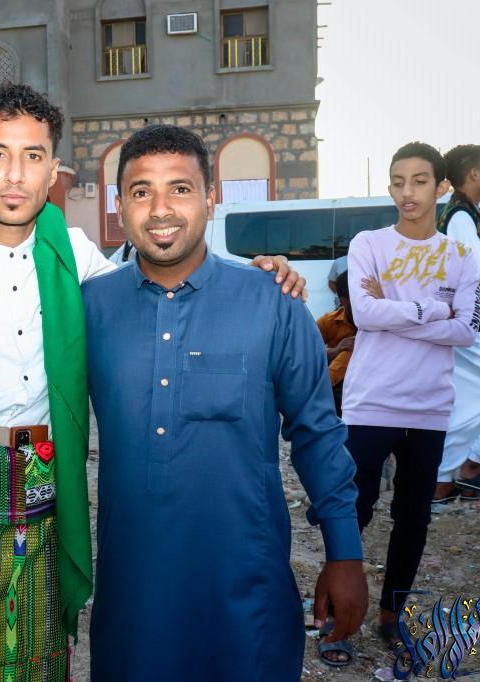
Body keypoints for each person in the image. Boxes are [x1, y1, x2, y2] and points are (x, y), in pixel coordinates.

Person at [0, 84, 303, 682]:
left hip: (43, 491)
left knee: (39, 657)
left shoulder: (75, 254)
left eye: (32, 156)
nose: (15, 175)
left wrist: (256, 276)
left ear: (54, 170)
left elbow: (156, 286)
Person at [83, 124, 367, 679]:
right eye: (141, 191)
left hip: (246, 591)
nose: (160, 209)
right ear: (119, 206)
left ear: (210, 197)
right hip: (132, 595)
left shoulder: (273, 302)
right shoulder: (88, 308)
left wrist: (345, 552)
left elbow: (317, 431)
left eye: (180, 188)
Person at [342, 141, 480, 648]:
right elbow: (364, 314)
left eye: (419, 181)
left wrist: (397, 312)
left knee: (413, 519)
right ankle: (338, 610)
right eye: (398, 182)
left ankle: (390, 614)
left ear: (441, 186)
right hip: (370, 402)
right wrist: (432, 310)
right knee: (352, 510)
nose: (408, 192)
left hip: (428, 408)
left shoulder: (461, 255)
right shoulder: (369, 244)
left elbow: (466, 330)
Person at [432, 145, 480, 503]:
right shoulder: (460, 216)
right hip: (474, 325)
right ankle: (472, 465)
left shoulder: (466, 213)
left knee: (469, 402)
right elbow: (475, 266)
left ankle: (446, 479)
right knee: (470, 401)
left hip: (469, 323)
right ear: (473, 174)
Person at [317, 271, 356, 415]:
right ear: (344, 301)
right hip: (336, 391)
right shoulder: (328, 321)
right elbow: (304, 354)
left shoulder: (381, 322)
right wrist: (336, 350)